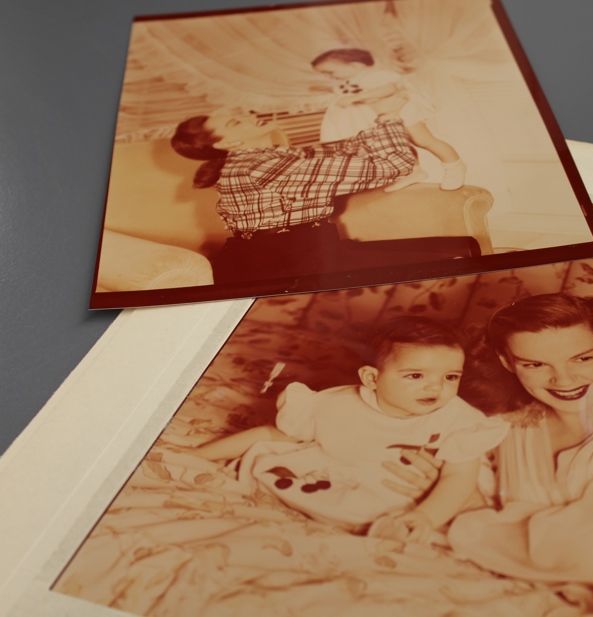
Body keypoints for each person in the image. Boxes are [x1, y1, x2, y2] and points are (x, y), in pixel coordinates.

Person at [392, 293, 593, 615]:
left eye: (583, 358)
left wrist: (473, 514)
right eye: (535, 364)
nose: (564, 379)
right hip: (537, 591)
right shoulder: (504, 428)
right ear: (508, 362)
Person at [192, 316, 509, 543]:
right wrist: (199, 456)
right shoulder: (336, 405)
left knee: (404, 512)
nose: (436, 388)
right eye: (416, 376)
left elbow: (459, 477)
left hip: (406, 482)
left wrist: (427, 516)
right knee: (271, 459)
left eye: (450, 377)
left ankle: (392, 529)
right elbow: (272, 435)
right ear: (372, 379)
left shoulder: (458, 419)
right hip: (342, 461)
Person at [170, 108, 417, 285]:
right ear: (230, 143)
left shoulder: (274, 157)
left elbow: (347, 147)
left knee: (427, 254)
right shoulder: (263, 166)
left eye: (240, 113)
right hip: (278, 265)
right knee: (427, 259)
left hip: (296, 251)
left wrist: (381, 119)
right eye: (235, 123)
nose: (250, 115)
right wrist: (391, 118)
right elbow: (396, 165)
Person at [311, 48, 467, 192]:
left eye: (330, 72)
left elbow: (389, 89)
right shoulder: (349, 81)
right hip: (383, 114)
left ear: (355, 65)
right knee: (399, 143)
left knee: (422, 140)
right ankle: (413, 171)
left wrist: (356, 97)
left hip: (401, 109)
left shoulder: (376, 74)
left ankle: (454, 165)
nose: (329, 77)